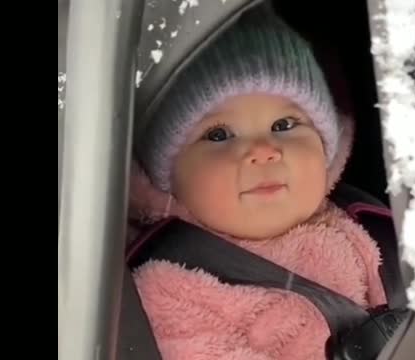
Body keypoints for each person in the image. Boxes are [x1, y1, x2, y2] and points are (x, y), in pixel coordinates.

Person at [128, 6, 387, 359]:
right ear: (166, 177)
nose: (264, 152)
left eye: (284, 125)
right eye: (218, 134)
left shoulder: (367, 225)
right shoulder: (171, 288)